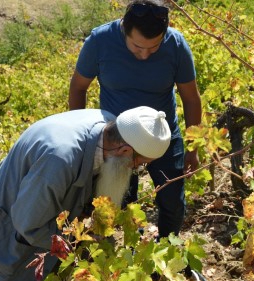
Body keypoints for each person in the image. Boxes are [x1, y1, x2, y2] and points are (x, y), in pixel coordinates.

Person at [0, 106, 171, 281]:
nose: (136, 168)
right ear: (125, 149)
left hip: (47, 196)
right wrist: (74, 241)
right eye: (139, 164)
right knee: (4, 280)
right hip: (17, 209)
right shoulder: (59, 159)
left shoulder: (109, 131)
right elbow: (28, 224)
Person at [69, 0, 202, 238]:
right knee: (121, 203)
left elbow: (191, 98)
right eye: (137, 47)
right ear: (124, 29)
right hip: (118, 138)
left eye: (153, 48)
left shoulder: (176, 45)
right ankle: (129, 249)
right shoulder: (100, 42)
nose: (144, 55)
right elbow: (78, 88)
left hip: (163, 135)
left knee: (173, 202)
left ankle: (167, 250)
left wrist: (193, 147)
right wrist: (80, 138)